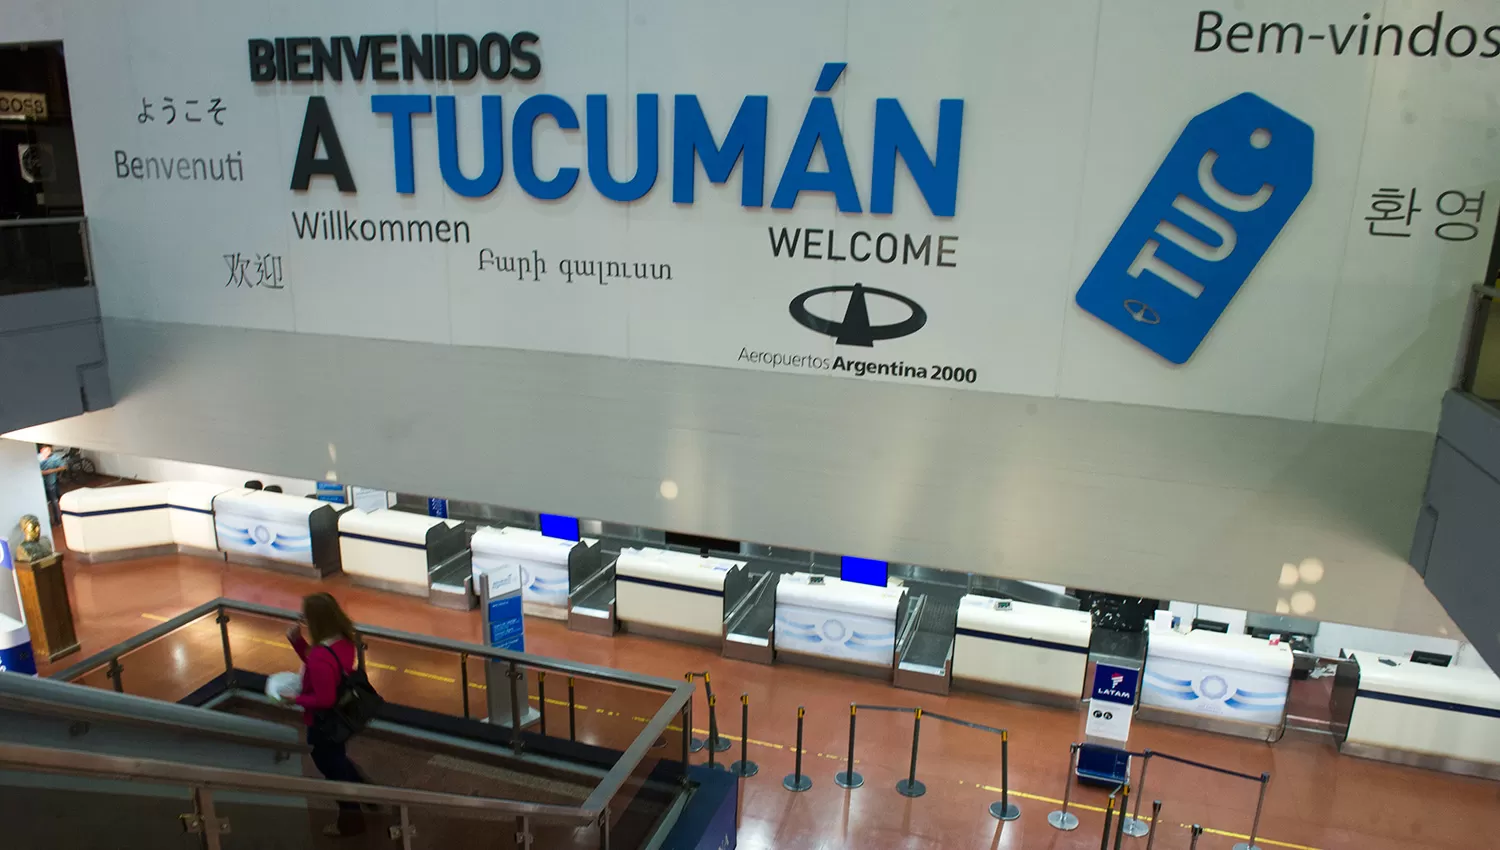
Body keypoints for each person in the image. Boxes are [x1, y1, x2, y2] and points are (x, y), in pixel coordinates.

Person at [284, 592, 368, 837]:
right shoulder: (343, 641)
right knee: (338, 757)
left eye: (305, 617)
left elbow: (324, 697)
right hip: (341, 718)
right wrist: (298, 643)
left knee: (329, 766)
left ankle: (351, 820)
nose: (303, 621)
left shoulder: (321, 655)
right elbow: (323, 667)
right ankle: (363, 790)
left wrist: (295, 699)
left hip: (322, 723)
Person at [36, 445, 66, 526]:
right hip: (40, 485)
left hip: (51, 483)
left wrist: (53, 470)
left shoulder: (54, 458)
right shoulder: (36, 458)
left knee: (54, 502)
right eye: (45, 451)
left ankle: (58, 520)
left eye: (49, 451)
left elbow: (64, 466)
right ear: (41, 450)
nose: (47, 453)